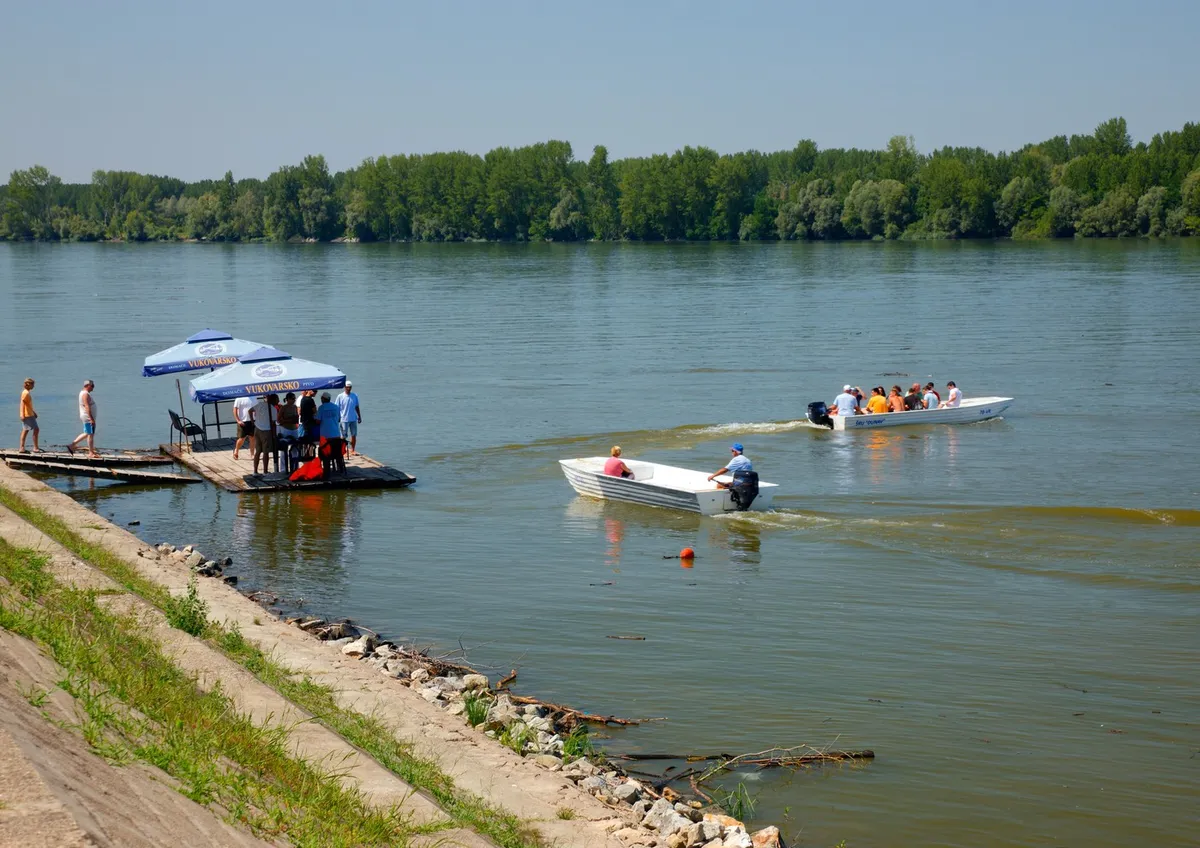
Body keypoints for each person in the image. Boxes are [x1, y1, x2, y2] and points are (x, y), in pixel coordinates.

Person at [316, 392, 345, 475]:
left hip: (325, 437)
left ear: (323, 399)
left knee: (325, 455)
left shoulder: (321, 408)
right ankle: (341, 469)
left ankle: (326, 472)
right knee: (337, 454)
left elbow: (318, 421)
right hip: (336, 436)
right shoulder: (336, 407)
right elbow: (339, 419)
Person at [68, 380, 98, 457]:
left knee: (87, 433)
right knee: (90, 434)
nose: (93, 387)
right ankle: (91, 453)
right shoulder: (85, 394)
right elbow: (87, 406)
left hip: (87, 416)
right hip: (87, 417)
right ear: (87, 385)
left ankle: (72, 445)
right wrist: (91, 419)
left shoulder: (84, 393)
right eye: (92, 386)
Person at [250, 394, 277, 475]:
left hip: (257, 429)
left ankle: (255, 471)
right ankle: (265, 471)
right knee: (266, 452)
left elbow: (250, 410)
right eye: (277, 399)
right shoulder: (273, 409)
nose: (278, 401)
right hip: (266, 430)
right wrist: (274, 435)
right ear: (273, 400)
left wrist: (252, 421)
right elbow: (273, 423)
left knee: (258, 451)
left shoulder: (259, 404)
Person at [335, 382, 363, 456]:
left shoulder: (354, 395)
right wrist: (337, 418)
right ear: (344, 387)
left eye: (350, 387)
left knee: (354, 434)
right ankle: (342, 451)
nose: (348, 388)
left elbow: (356, 406)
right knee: (343, 436)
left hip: (353, 418)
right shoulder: (340, 396)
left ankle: (353, 450)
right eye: (347, 387)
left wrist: (359, 416)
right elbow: (336, 408)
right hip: (343, 419)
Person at [18, 378, 42, 453]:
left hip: (29, 414)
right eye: (33, 384)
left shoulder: (26, 392)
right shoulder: (25, 393)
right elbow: (22, 404)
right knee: (32, 430)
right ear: (29, 384)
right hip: (27, 415)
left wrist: (33, 412)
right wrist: (22, 414)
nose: (33, 386)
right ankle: (33, 448)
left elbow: (27, 404)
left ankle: (23, 447)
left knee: (27, 430)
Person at [232, 394, 254, 460]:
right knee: (242, 438)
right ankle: (236, 451)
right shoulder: (239, 398)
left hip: (252, 420)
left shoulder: (253, 397)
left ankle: (252, 454)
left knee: (252, 438)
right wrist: (238, 420)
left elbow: (256, 408)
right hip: (243, 421)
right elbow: (235, 410)